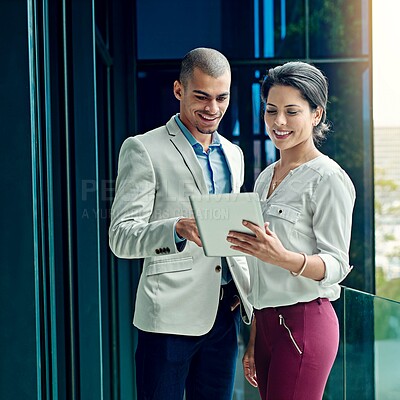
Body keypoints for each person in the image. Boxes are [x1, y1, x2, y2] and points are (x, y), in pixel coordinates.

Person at [109, 47, 252, 400]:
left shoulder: (234, 155)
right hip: (167, 319)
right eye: (201, 96)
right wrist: (176, 229)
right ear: (178, 90)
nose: (213, 108)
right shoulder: (143, 149)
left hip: (223, 315)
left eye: (222, 98)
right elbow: (121, 236)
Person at [226, 61, 356, 400]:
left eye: (291, 111)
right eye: (271, 110)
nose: (278, 122)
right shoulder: (265, 177)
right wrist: (255, 337)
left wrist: (284, 257)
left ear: (316, 114)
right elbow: (259, 269)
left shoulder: (328, 179)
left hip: (305, 324)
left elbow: (337, 265)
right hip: (267, 324)